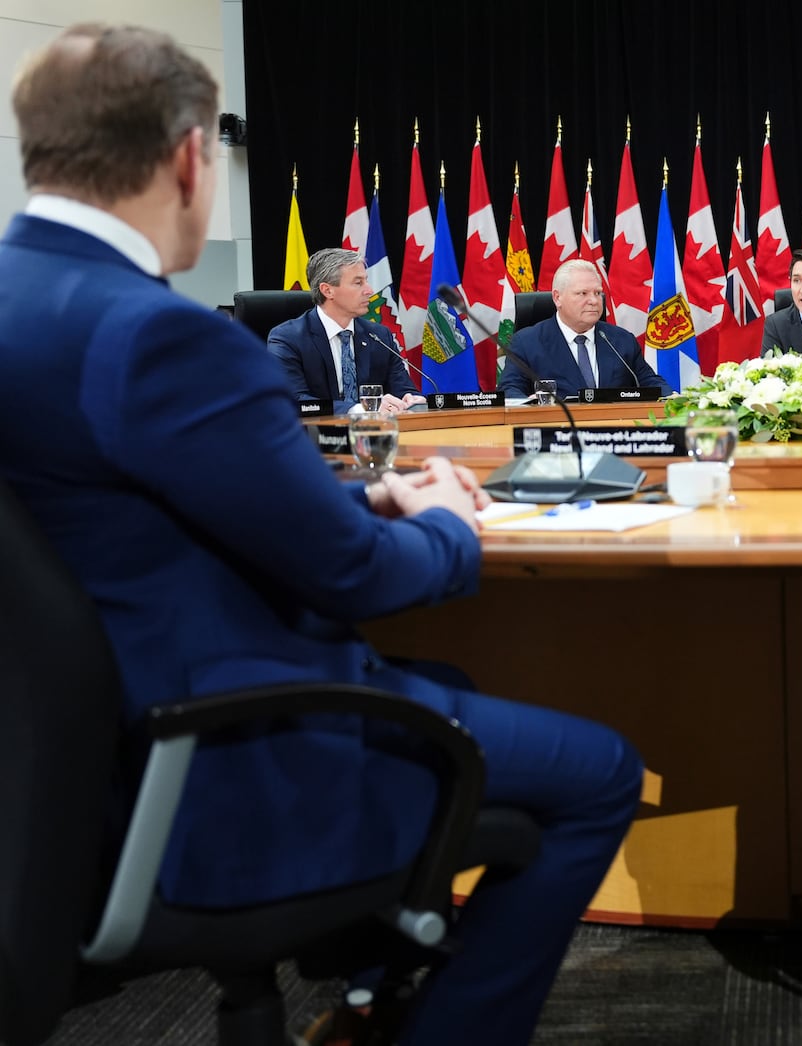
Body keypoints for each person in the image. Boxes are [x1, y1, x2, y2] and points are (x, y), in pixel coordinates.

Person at [0, 24, 642, 1045]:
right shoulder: (159, 331)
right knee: (602, 768)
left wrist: (362, 498)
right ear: (186, 157)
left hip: (70, 767)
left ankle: (366, 997)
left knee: (458, 695)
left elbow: (141, 509)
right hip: (220, 766)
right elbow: (357, 579)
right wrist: (442, 523)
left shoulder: (26, 302)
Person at [267, 246, 425, 414]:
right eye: (358, 283)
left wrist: (410, 398)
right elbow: (294, 400)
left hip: (376, 434)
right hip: (316, 436)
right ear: (327, 290)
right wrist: (358, 409)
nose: (369, 291)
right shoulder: (288, 338)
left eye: (366, 280)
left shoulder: (379, 336)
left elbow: (402, 388)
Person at [498, 258, 671, 400]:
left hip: (612, 433)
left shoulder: (621, 340)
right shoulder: (527, 343)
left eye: (597, 293)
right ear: (557, 298)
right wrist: (533, 407)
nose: (594, 301)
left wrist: (674, 399)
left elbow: (650, 383)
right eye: (583, 293)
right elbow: (510, 390)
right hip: (556, 434)